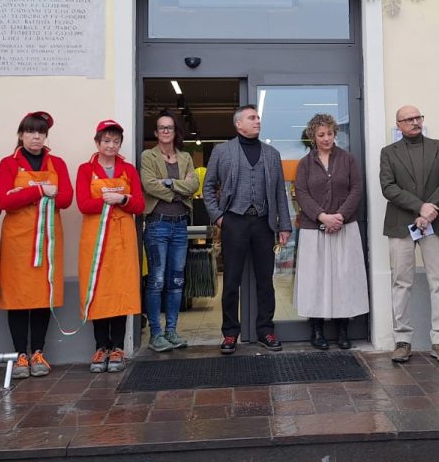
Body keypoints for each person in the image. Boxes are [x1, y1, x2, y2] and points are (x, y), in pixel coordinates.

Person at [202, 105, 293, 354]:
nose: (257, 121)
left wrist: (284, 224)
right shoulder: (222, 151)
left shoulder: (272, 154)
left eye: (258, 117)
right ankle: (230, 333)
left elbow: (279, 194)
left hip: (264, 223)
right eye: (252, 118)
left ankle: (266, 330)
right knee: (231, 280)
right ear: (238, 124)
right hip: (234, 221)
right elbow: (208, 187)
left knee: (266, 280)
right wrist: (219, 217)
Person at [0, 112, 73, 380]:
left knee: (43, 297)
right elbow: (4, 201)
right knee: (18, 299)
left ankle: (38, 352)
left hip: (49, 240)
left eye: (41, 132)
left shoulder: (58, 163)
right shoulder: (7, 164)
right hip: (18, 242)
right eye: (30, 132)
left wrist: (23, 193)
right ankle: (20, 355)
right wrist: (39, 191)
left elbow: (66, 199)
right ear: (21, 134)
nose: (36, 137)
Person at [379, 105, 439, 365]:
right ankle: (402, 340)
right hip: (402, 223)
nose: (415, 122)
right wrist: (419, 207)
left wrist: (429, 210)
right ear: (398, 124)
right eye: (408, 119)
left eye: (418, 117)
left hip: (435, 220)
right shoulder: (388, 153)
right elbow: (388, 187)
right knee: (401, 282)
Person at [294, 113, 369, 350]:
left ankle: (343, 330)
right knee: (315, 280)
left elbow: (356, 189)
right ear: (313, 137)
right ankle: (316, 330)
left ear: (335, 134)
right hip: (313, 230)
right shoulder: (304, 164)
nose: (326, 138)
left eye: (330, 133)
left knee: (343, 279)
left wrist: (339, 217)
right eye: (321, 135)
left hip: (344, 229)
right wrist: (322, 217)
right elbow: (302, 193)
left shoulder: (348, 160)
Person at [76, 120, 146, 373]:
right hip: (95, 240)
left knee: (121, 291)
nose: (111, 145)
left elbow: (139, 205)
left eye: (115, 141)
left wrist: (123, 198)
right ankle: (100, 346)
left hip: (123, 239)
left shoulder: (128, 170)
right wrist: (108, 200)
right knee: (98, 289)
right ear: (97, 142)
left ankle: (118, 347)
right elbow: (83, 204)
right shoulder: (86, 170)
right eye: (106, 140)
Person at [139, 111, 200, 353]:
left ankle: (171, 331)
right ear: (156, 132)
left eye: (170, 128)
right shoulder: (148, 156)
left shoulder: (185, 157)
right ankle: (156, 334)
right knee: (156, 280)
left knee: (176, 281)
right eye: (161, 128)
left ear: (175, 132)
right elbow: (149, 185)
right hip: (157, 224)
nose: (165, 131)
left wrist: (169, 183)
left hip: (180, 225)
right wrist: (179, 189)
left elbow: (194, 185)